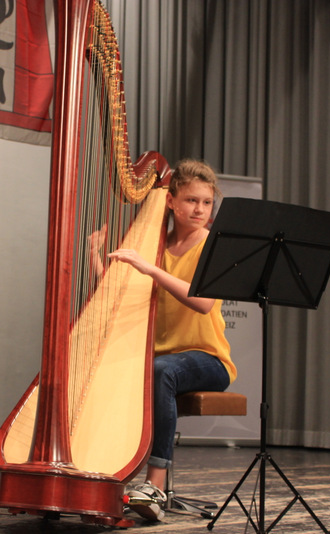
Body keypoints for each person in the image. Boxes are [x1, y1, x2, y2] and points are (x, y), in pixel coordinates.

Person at [104, 158, 237, 521]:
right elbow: (116, 299)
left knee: (162, 370)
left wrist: (151, 269)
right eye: (192, 200)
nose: (200, 209)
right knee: (125, 369)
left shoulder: (212, 246)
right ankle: (104, 475)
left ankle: (155, 485)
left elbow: (202, 302)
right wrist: (94, 255)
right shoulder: (154, 245)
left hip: (209, 359)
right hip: (161, 358)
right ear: (171, 201)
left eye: (207, 202)